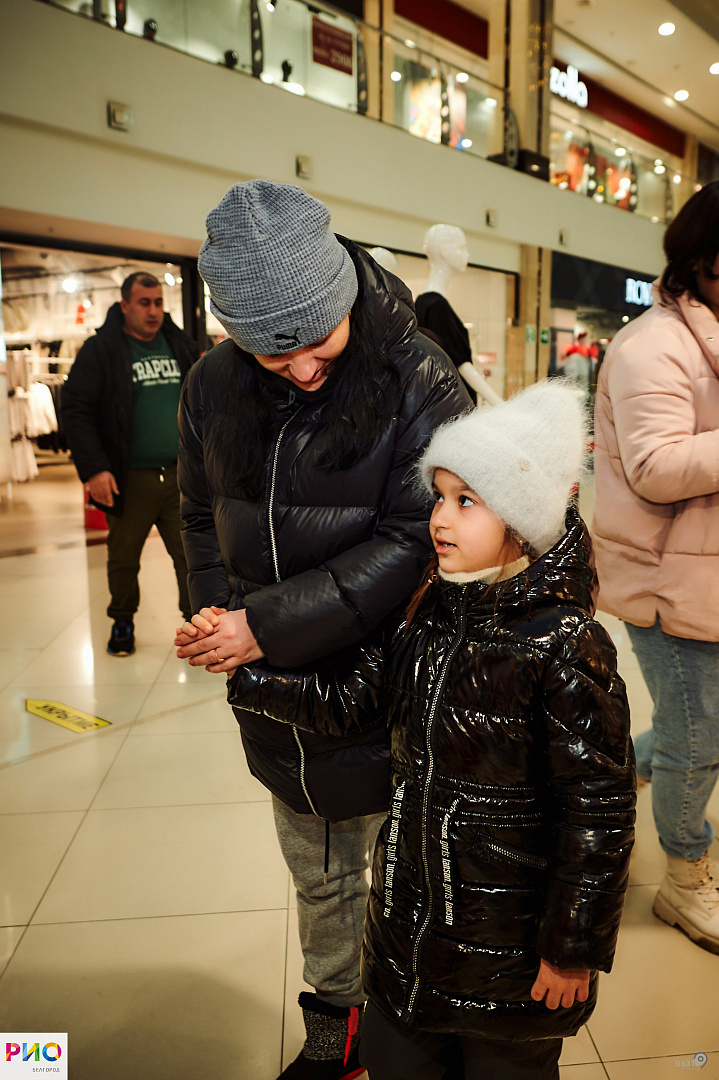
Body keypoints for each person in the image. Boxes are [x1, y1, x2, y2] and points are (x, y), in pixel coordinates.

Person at [253, 379, 636, 1080]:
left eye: (466, 500)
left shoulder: (564, 645)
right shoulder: (429, 610)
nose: (439, 518)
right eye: (438, 496)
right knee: (396, 1060)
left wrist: (571, 948)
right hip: (408, 930)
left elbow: (597, 812)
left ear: (520, 517)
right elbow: (355, 703)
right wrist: (253, 678)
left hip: (510, 952)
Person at [173, 180, 471, 1080]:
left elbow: (417, 539)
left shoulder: (419, 378)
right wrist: (216, 615)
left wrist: (263, 625)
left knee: (414, 875)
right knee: (319, 872)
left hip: (390, 679)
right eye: (273, 351)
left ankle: (414, 1032)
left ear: (344, 292)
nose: (302, 368)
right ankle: (335, 1032)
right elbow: (198, 512)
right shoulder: (211, 384)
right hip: (276, 692)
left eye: (317, 341)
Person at [592, 180, 719, 955]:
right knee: (695, 740)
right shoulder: (652, 346)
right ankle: (682, 878)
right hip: (670, 583)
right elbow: (654, 467)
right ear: (706, 261)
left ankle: (608, 777)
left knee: (695, 728)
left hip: (704, 576)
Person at [63, 271, 199, 655]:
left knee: (191, 554)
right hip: (128, 478)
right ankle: (122, 621)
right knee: (123, 558)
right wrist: (94, 469)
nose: (153, 311)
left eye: (158, 303)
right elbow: (75, 410)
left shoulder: (180, 345)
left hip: (180, 475)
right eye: (144, 303)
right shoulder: (102, 350)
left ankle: (196, 622)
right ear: (124, 305)